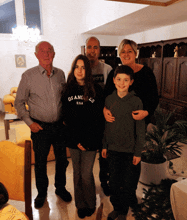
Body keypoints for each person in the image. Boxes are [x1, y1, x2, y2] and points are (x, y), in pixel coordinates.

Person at [14, 41, 72, 209]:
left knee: (62, 161)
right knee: (40, 163)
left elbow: (65, 99)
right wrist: (30, 123)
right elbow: (19, 103)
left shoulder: (60, 74)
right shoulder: (28, 76)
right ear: (36, 55)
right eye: (42, 51)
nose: (46, 54)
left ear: (53, 54)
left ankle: (60, 188)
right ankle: (41, 193)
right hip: (40, 128)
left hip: (59, 126)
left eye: (49, 51)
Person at [61, 54, 105, 219]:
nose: (79, 71)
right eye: (76, 67)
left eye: (83, 67)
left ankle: (91, 203)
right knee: (76, 173)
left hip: (90, 141)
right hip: (73, 140)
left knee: (86, 174)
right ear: (73, 70)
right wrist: (76, 140)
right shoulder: (67, 89)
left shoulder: (96, 89)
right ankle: (80, 204)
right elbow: (66, 118)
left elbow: (98, 120)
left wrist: (86, 141)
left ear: (88, 70)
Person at [102, 65, 145, 220]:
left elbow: (140, 128)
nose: (122, 83)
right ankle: (116, 207)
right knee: (113, 182)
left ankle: (123, 211)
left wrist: (138, 152)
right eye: (119, 79)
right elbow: (107, 125)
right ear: (113, 81)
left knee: (127, 185)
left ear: (131, 82)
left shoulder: (136, 101)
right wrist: (104, 145)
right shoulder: (109, 100)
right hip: (113, 149)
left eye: (126, 80)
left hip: (129, 151)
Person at [85, 36, 112, 196]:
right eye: (89, 47)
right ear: (85, 49)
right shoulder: (80, 68)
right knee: (87, 155)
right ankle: (87, 184)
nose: (92, 51)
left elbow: (111, 94)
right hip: (87, 121)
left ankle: (104, 182)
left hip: (103, 120)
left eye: (95, 47)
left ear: (99, 50)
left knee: (104, 154)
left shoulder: (107, 69)